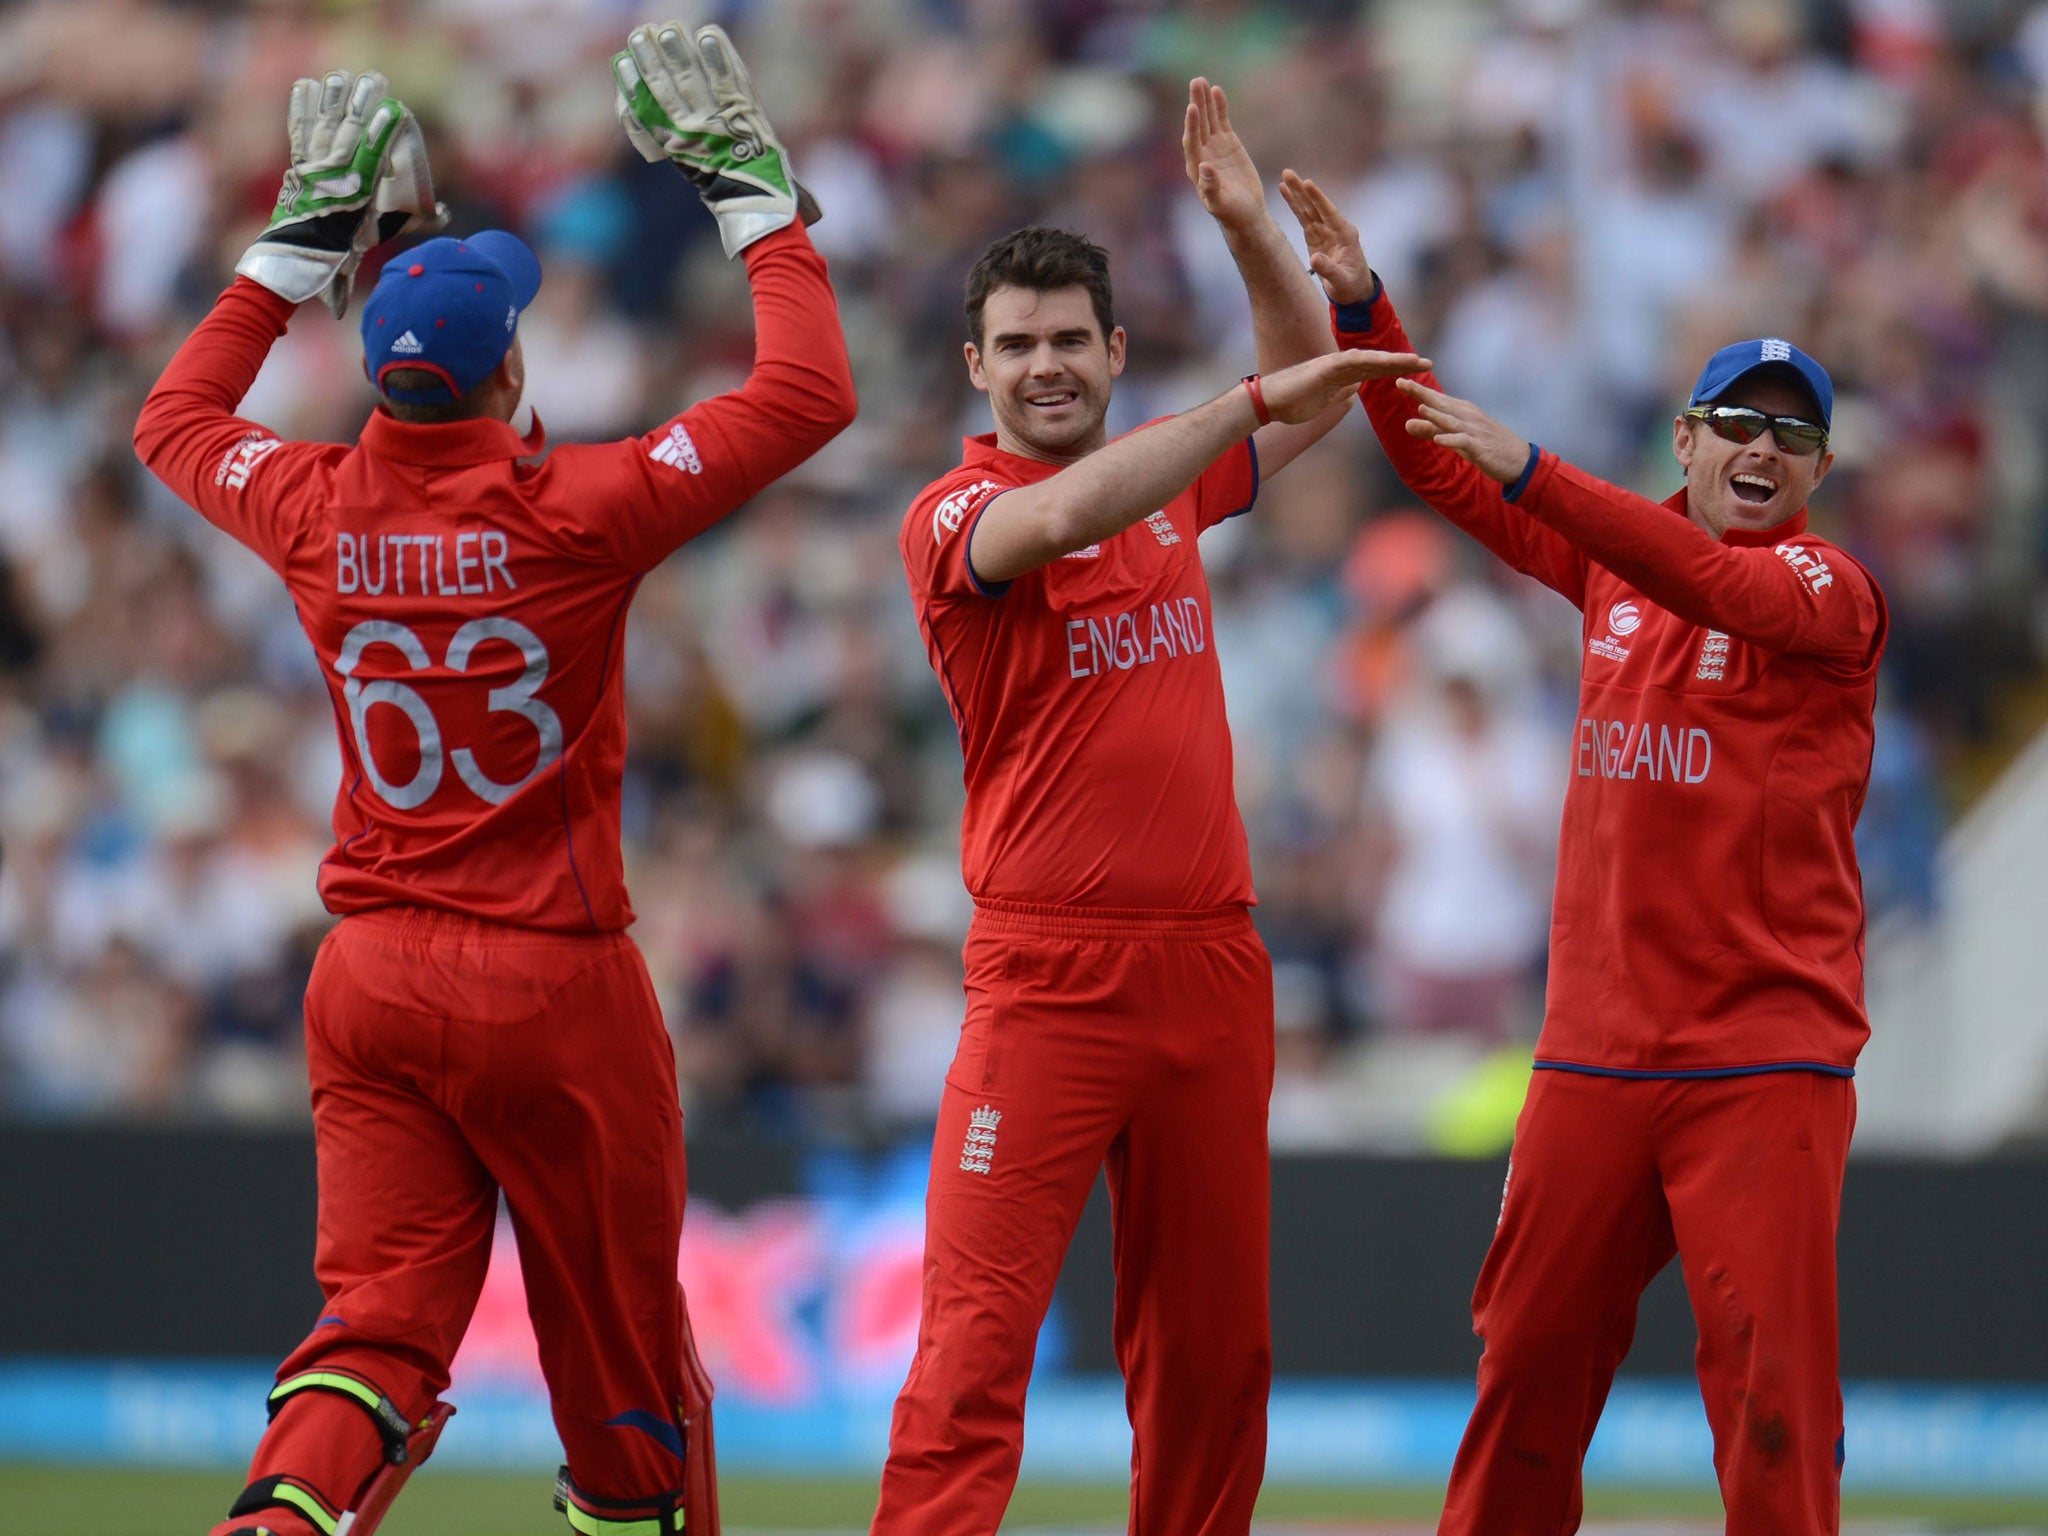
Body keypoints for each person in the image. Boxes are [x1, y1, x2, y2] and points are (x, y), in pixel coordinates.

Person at [132, 26, 854, 1536]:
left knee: (377, 1330)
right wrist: (749, 190)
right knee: (626, 1372)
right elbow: (808, 397)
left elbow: (173, 423)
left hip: (372, 975)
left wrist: (290, 243)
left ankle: (273, 1526)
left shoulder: (315, 504)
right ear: (512, 367)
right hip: (551, 984)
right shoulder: (579, 508)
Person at [1280, 171, 1887, 1534]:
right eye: (1736, 422)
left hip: (1762, 1058)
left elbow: (1710, 582)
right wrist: (1363, 302)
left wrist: (1540, 470)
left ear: (1820, 472)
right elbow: (1441, 463)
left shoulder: (1826, 591)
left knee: (1771, 1393)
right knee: (1529, 1369)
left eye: (1793, 437)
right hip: (1594, 1057)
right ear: (1685, 438)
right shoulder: (1622, 568)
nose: (1762, 450)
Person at [871, 83, 1424, 1536]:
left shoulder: (1165, 489)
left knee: (1212, 1360)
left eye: (1071, 342)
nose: (1046, 368)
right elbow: (1062, 518)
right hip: (1047, 980)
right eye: (1018, 348)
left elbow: (1312, 375)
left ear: (1115, 352)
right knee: (975, 1352)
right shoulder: (954, 515)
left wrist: (1247, 231)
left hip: (1209, 966)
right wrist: (1239, 398)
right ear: (974, 369)